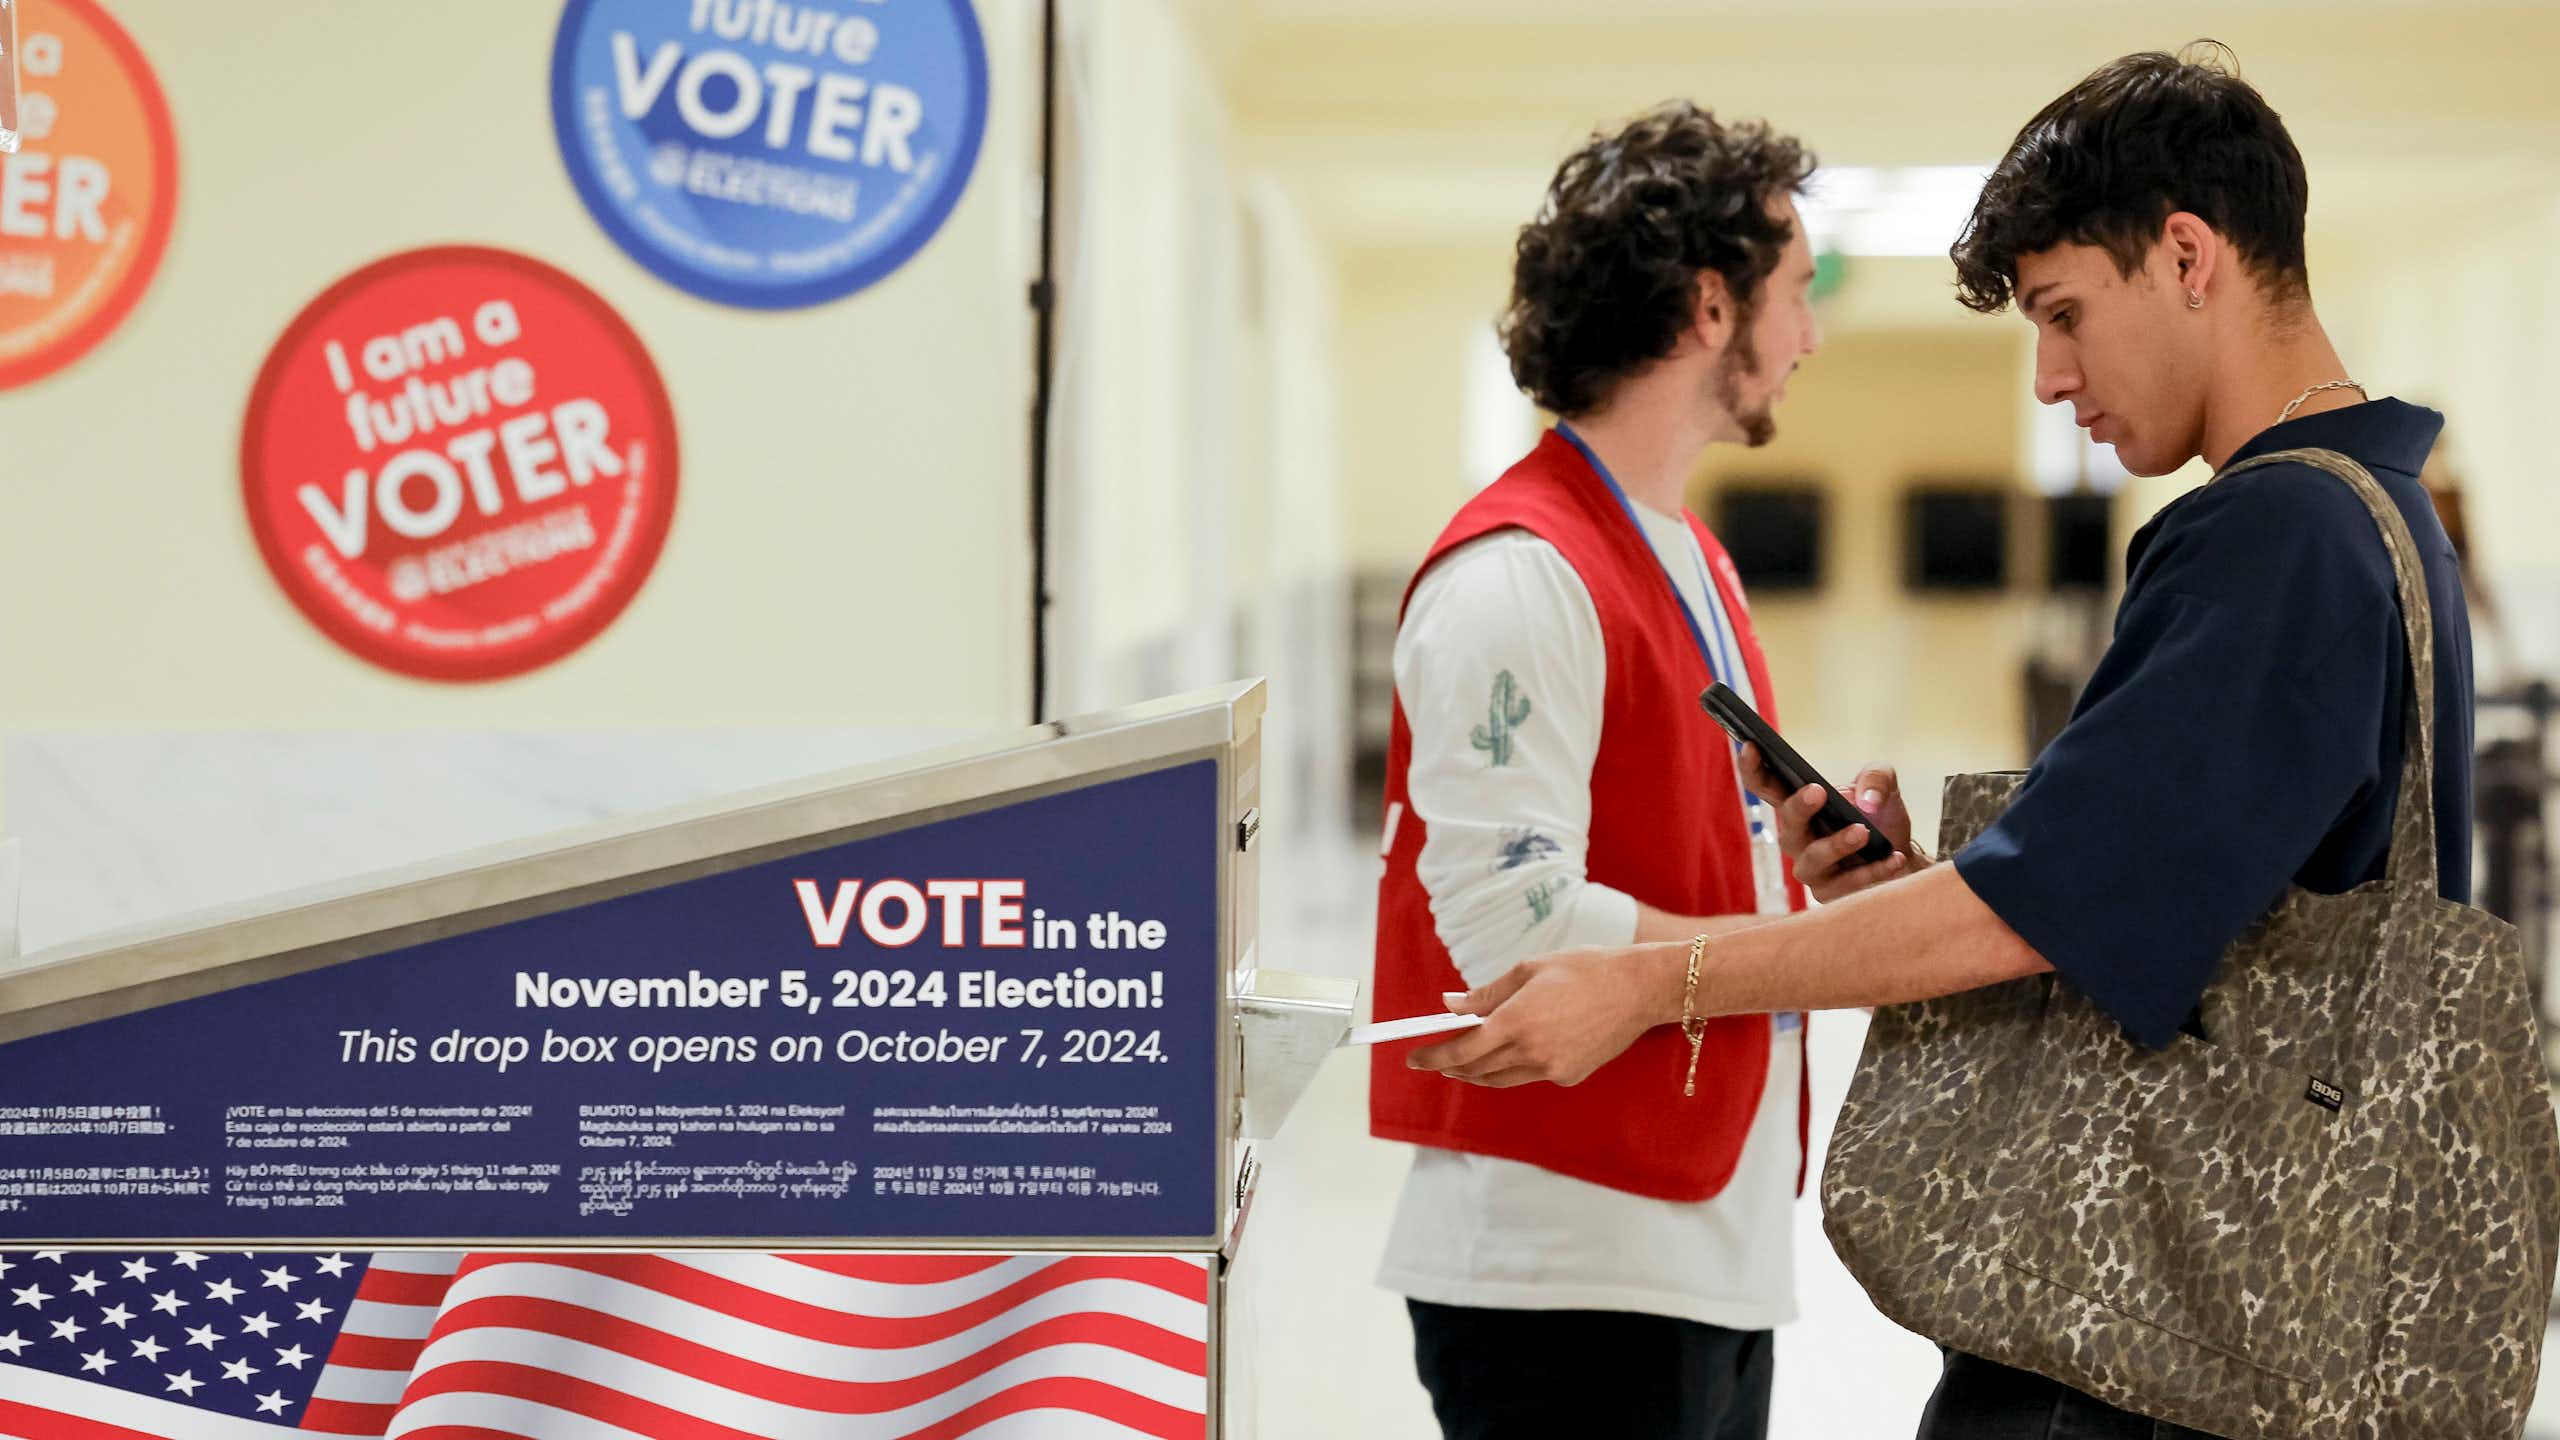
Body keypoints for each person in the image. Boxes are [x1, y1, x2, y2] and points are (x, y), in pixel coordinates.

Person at [1411, 45, 2558, 1439]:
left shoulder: (2276, 534)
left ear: (2188, 256)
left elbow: (2043, 912)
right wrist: (1925, 895)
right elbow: (2152, 896)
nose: (2049, 379)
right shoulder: (2385, 514)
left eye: (2064, 313)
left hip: (2174, 1335)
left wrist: (1665, 982)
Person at [1367, 102, 1825, 1440]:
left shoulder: (1688, 555)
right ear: (1705, 308)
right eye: (1795, 294)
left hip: (1698, 1247)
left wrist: (1790, 858)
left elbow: (1661, 835)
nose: (1809, 334)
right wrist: (1791, 949)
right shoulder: (1518, 578)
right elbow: (1511, 927)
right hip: (1565, 1273)